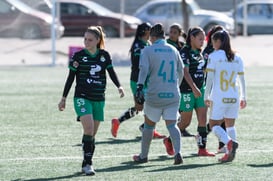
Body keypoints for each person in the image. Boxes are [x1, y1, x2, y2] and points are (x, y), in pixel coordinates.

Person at [58, 26, 125, 175]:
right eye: (85, 39)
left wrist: (119, 86)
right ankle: (89, 164)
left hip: (99, 98)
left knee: (92, 134)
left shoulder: (104, 55)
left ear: (97, 40)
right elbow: (70, 77)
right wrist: (64, 98)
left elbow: (111, 72)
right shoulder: (78, 56)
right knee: (88, 129)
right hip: (82, 97)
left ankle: (85, 161)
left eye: (90, 40)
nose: (86, 42)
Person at [133, 23, 184, 165]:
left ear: (152, 37)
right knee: (172, 125)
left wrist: (139, 87)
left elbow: (143, 70)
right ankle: (178, 153)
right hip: (172, 94)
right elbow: (181, 71)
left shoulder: (148, 50)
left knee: (149, 126)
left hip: (155, 94)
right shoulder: (173, 49)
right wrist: (176, 86)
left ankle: (143, 156)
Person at [163, 27, 215, 157]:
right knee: (186, 122)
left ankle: (202, 149)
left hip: (200, 90)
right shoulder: (184, 52)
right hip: (187, 90)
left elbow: (203, 71)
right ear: (192, 38)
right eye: (200, 39)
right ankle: (168, 140)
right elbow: (185, 72)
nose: (202, 41)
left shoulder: (199, 52)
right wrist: (194, 88)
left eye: (204, 39)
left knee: (203, 118)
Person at [111, 23, 165, 139]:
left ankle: (121, 122)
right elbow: (139, 64)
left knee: (141, 107)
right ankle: (147, 127)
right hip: (138, 81)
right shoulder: (138, 46)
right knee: (151, 105)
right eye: (149, 29)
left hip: (146, 80)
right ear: (144, 31)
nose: (151, 32)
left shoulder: (147, 44)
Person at [204, 30, 247, 162]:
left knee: (213, 125)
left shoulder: (214, 56)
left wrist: (206, 95)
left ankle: (229, 143)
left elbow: (209, 78)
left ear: (218, 41)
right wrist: (243, 97)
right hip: (234, 96)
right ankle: (230, 153)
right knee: (230, 125)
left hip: (219, 96)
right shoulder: (238, 57)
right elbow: (242, 79)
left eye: (213, 42)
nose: (212, 45)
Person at [166, 23, 194, 137]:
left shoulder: (182, 45)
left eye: (174, 32)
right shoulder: (167, 44)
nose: (171, 34)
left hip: (178, 76)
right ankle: (146, 125)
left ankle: (180, 127)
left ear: (179, 34)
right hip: (169, 76)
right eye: (170, 32)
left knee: (178, 103)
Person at [203, 25, 227, 154]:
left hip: (223, 87)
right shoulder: (208, 51)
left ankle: (221, 144)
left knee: (221, 117)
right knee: (219, 118)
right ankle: (221, 143)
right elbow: (206, 70)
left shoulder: (225, 52)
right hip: (214, 88)